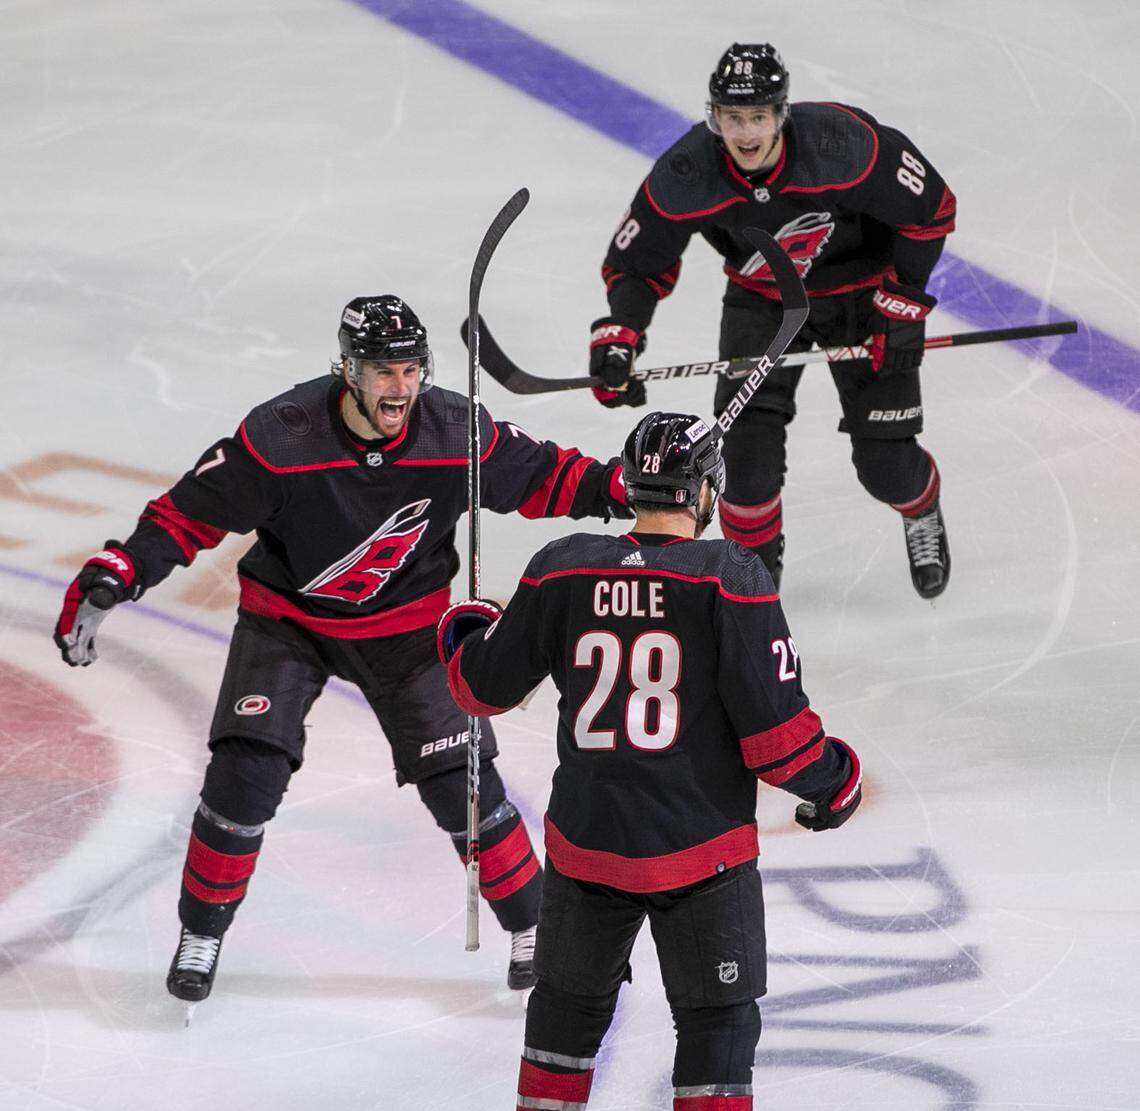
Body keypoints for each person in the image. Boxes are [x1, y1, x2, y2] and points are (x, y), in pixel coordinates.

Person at [53, 294, 632, 1006]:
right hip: (287, 624)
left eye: (412, 367)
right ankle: (201, 931)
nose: (400, 385)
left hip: (410, 630)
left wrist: (617, 485)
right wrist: (122, 569)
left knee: (463, 783)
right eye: (383, 369)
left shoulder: (454, 428)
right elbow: (189, 513)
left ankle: (535, 928)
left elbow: (543, 474)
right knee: (244, 773)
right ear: (348, 370)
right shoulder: (282, 436)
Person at [436, 411, 862, 1110]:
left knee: (563, 1022)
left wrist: (465, 632)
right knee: (718, 1027)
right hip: (703, 857)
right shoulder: (731, 576)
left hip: (587, 849)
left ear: (632, 484)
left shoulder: (562, 566)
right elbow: (779, 743)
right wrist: (835, 781)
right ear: (704, 493)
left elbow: (478, 688)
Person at [589, 42, 956, 598]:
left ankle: (921, 510)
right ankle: (751, 588)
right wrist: (621, 335)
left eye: (758, 116)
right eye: (732, 118)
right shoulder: (689, 169)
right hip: (762, 303)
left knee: (887, 466)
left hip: (862, 298)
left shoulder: (842, 146)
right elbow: (635, 263)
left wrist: (903, 302)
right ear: (715, 117)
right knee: (744, 468)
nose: (745, 133)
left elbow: (932, 209)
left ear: (782, 113)